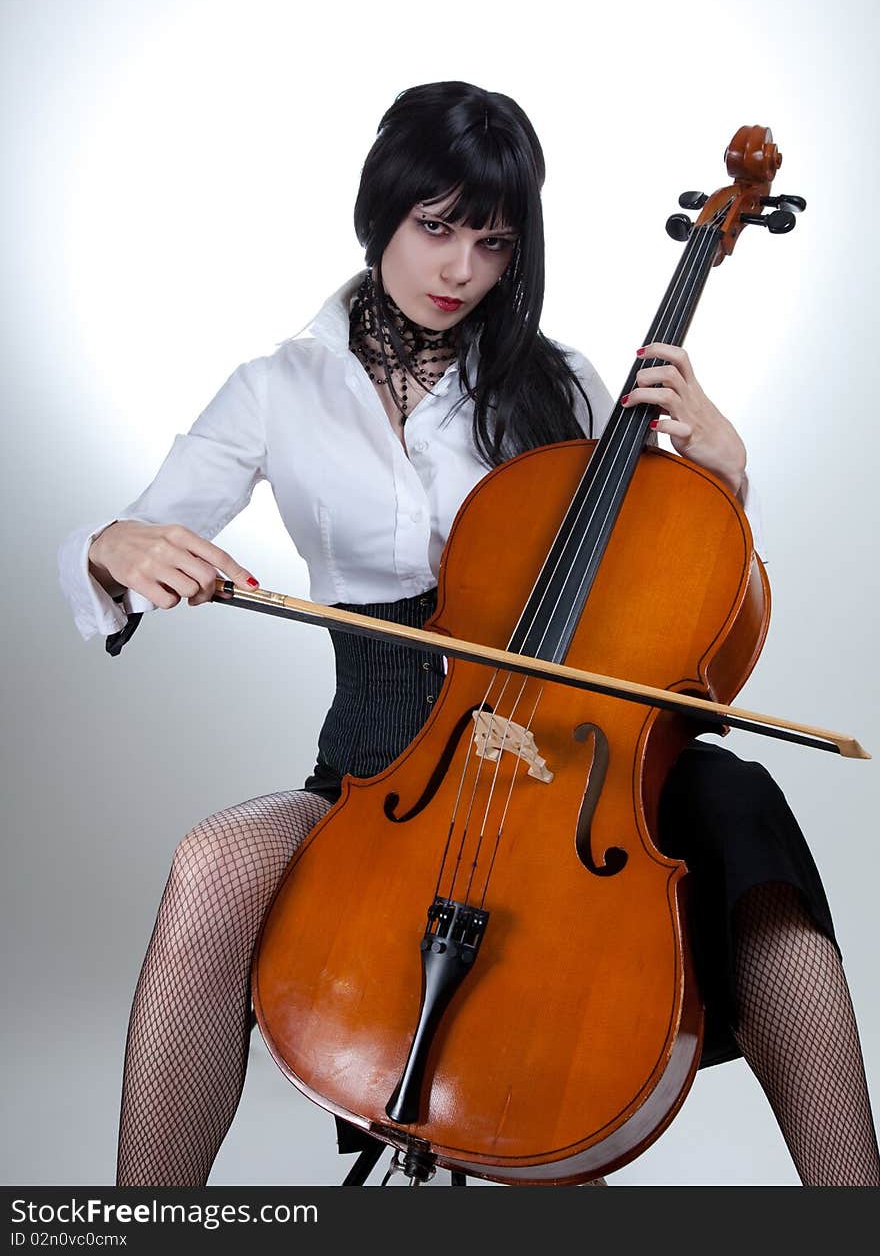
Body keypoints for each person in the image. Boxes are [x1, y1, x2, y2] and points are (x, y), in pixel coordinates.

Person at [58, 81, 879, 1188]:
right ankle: (146, 1220)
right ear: (381, 213)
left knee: (749, 833)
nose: (459, 270)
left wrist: (725, 471)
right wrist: (117, 545)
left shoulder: (568, 385)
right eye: (434, 227)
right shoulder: (275, 389)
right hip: (382, 771)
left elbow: (685, 587)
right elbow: (136, 532)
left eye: (490, 242)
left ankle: (849, 1200)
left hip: (576, 774)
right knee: (212, 865)